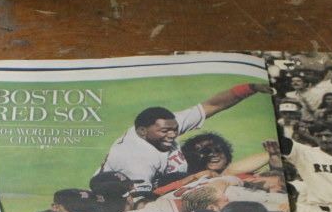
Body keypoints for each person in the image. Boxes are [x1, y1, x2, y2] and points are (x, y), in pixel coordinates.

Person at [98, 82, 271, 191]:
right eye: (165, 132)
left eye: (175, 130)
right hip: (126, 196)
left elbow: (213, 105)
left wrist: (250, 88)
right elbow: (140, 202)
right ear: (143, 132)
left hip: (176, 180)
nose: (173, 135)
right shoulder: (137, 160)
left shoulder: (164, 124)